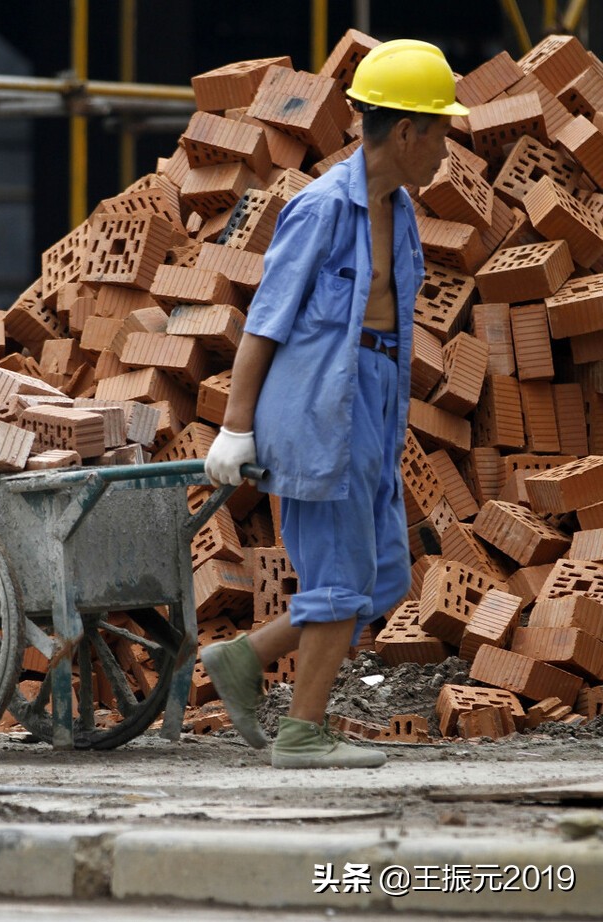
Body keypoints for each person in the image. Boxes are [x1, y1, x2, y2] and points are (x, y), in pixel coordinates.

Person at [201, 40, 468, 768]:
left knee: (382, 572)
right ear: (408, 131)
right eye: (441, 133)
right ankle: (302, 732)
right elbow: (266, 321)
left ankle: (244, 658)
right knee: (341, 579)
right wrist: (234, 428)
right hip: (319, 406)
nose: (446, 151)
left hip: (373, 402)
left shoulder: (400, 213)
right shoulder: (321, 209)